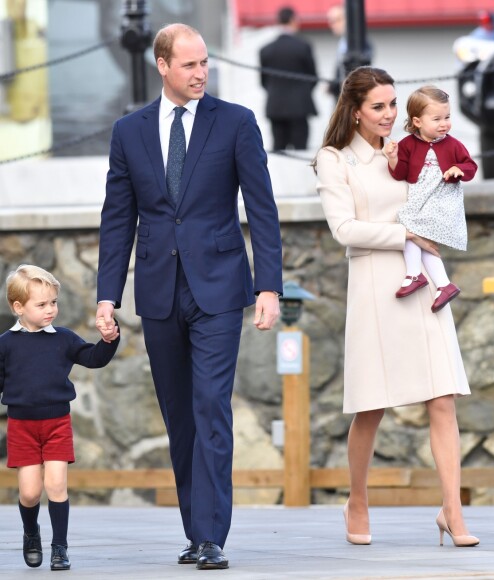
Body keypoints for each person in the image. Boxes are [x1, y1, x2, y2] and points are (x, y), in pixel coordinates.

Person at [95, 23, 283, 571]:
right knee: (179, 414)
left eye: (205, 63)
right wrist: (108, 295)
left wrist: (266, 285)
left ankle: (210, 535)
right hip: (156, 289)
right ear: (162, 66)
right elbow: (117, 219)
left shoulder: (236, 123)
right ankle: (193, 527)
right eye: (190, 65)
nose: (201, 73)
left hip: (220, 287)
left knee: (210, 406)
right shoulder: (129, 131)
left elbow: (262, 210)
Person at [314, 67, 479, 548]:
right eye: (378, 106)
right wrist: (405, 234)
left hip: (423, 276)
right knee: (371, 407)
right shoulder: (334, 159)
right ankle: (358, 499)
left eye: (393, 104)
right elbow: (344, 229)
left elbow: (440, 192)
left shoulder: (411, 146)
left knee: (443, 398)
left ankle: (453, 510)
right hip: (373, 282)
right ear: (355, 109)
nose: (389, 114)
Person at [0, 264, 120, 571]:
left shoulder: (64, 338)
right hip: (22, 427)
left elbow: (93, 359)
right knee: (29, 492)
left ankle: (60, 548)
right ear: (18, 307)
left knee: (56, 486)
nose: (50, 309)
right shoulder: (6, 344)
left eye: (53, 302)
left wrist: (109, 340)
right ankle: (31, 533)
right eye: (41, 304)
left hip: (57, 424)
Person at [385, 85, 478, 313]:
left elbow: (471, 166)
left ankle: (414, 274)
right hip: (421, 199)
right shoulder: (407, 145)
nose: (444, 123)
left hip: (442, 201)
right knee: (415, 233)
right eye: (436, 119)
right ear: (417, 121)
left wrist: (458, 169)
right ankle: (443, 285)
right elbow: (401, 174)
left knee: (409, 227)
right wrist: (393, 158)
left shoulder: (453, 144)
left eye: (447, 117)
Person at [259, 6, 318, 150]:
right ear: (293, 20)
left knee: (279, 149)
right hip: (300, 107)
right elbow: (313, 77)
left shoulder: (266, 49)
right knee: (300, 150)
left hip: (276, 106)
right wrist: (301, 93)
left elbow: (264, 81)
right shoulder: (303, 46)